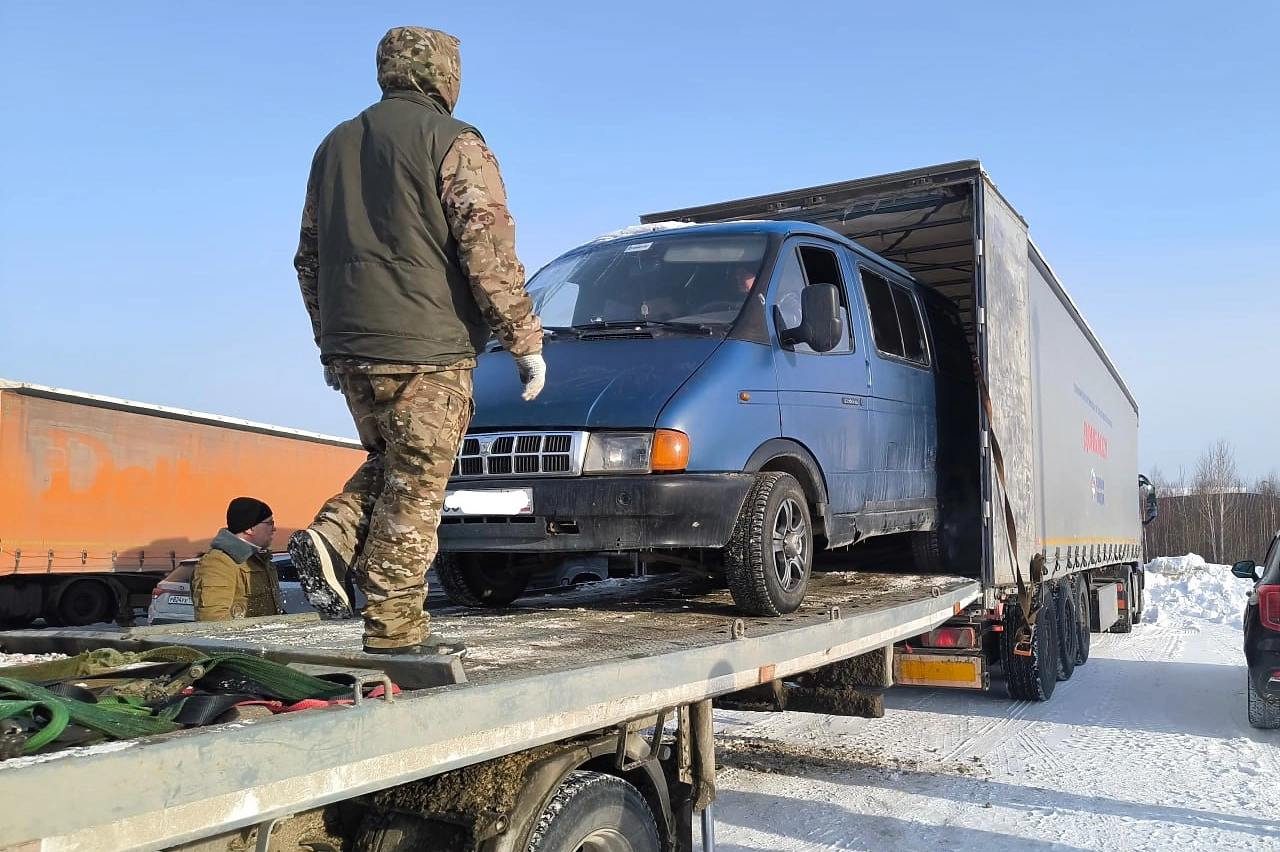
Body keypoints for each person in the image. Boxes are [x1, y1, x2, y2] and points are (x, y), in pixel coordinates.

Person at [289, 26, 544, 656]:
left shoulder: (334, 146)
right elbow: (486, 247)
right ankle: (395, 632)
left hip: (352, 345)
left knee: (396, 464)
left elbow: (309, 258)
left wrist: (328, 341)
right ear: (445, 74)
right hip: (428, 347)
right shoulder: (454, 141)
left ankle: (335, 533)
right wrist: (524, 338)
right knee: (418, 491)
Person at [192, 497, 283, 621]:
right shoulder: (218, 564)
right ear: (249, 528)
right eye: (269, 523)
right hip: (242, 635)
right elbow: (213, 621)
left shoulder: (259, 560)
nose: (274, 529)